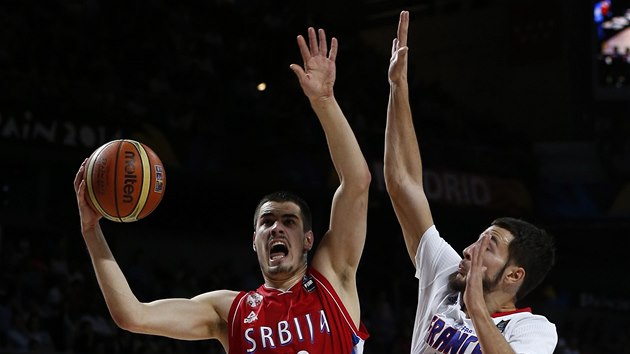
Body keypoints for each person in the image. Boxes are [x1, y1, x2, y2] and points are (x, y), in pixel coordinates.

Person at [73, 26, 371, 353]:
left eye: (289, 221)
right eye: (267, 222)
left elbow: (356, 184)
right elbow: (133, 315)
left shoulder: (333, 279)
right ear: (254, 240)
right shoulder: (230, 312)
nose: (276, 228)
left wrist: (324, 101)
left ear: (308, 240)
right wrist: (90, 228)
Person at [384, 11, 557, 353]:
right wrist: (398, 88)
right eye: (476, 241)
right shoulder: (447, 277)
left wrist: (478, 307)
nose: (468, 250)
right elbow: (403, 185)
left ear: (513, 276)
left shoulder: (533, 330)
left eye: (487, 247)